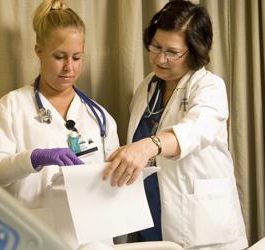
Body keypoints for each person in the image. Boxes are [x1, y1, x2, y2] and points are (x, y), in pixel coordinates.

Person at [102, 1, 248, 249]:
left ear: (194, 51)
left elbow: (197, 131)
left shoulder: (209, 87)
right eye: (156, 46)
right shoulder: (145, 89)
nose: (160, 58)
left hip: (202, 228)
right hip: (150, 219)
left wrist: (149, 145)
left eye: (172, 52)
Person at [0, 0, 119, 249]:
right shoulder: (11, 107)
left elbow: (113, 187)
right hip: (31, 236)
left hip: (92, 240)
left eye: (77, 57)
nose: (69, 68)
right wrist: (33, 159)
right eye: (59, 57)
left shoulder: (99, 117)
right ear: (38, 50)